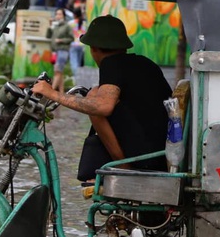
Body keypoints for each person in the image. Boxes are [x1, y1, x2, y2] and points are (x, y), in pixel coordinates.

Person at [31, 15, 172, 184]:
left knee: (94, 100)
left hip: (147, 156)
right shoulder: (143, 63)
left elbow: (103, 107)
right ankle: (120, 166)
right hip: (162, 150)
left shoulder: (111, 64)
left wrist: (52, 94)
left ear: (94, 48)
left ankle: (123, 169)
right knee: (95, 93)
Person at [47, 7, 73, 93]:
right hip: (56, 52)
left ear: (64, 16)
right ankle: (61, 93)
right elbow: (48, 36)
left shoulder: (67, 26)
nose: (57, 16)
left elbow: (71, 38)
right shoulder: (56, 26)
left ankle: (51, 91)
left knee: (57, 71)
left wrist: (61, 40)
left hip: (63, 51)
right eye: (56, 14)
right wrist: (50, 25)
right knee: (60, 73)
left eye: (60, 14)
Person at [68, 7, 87, 78]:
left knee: (74, 62)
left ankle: (76, 77)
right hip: (82, 45)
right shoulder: (85, 23)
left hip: (73, 44)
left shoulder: (71, 23)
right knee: (79, 63)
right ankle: (79, 77)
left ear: (74, 14)